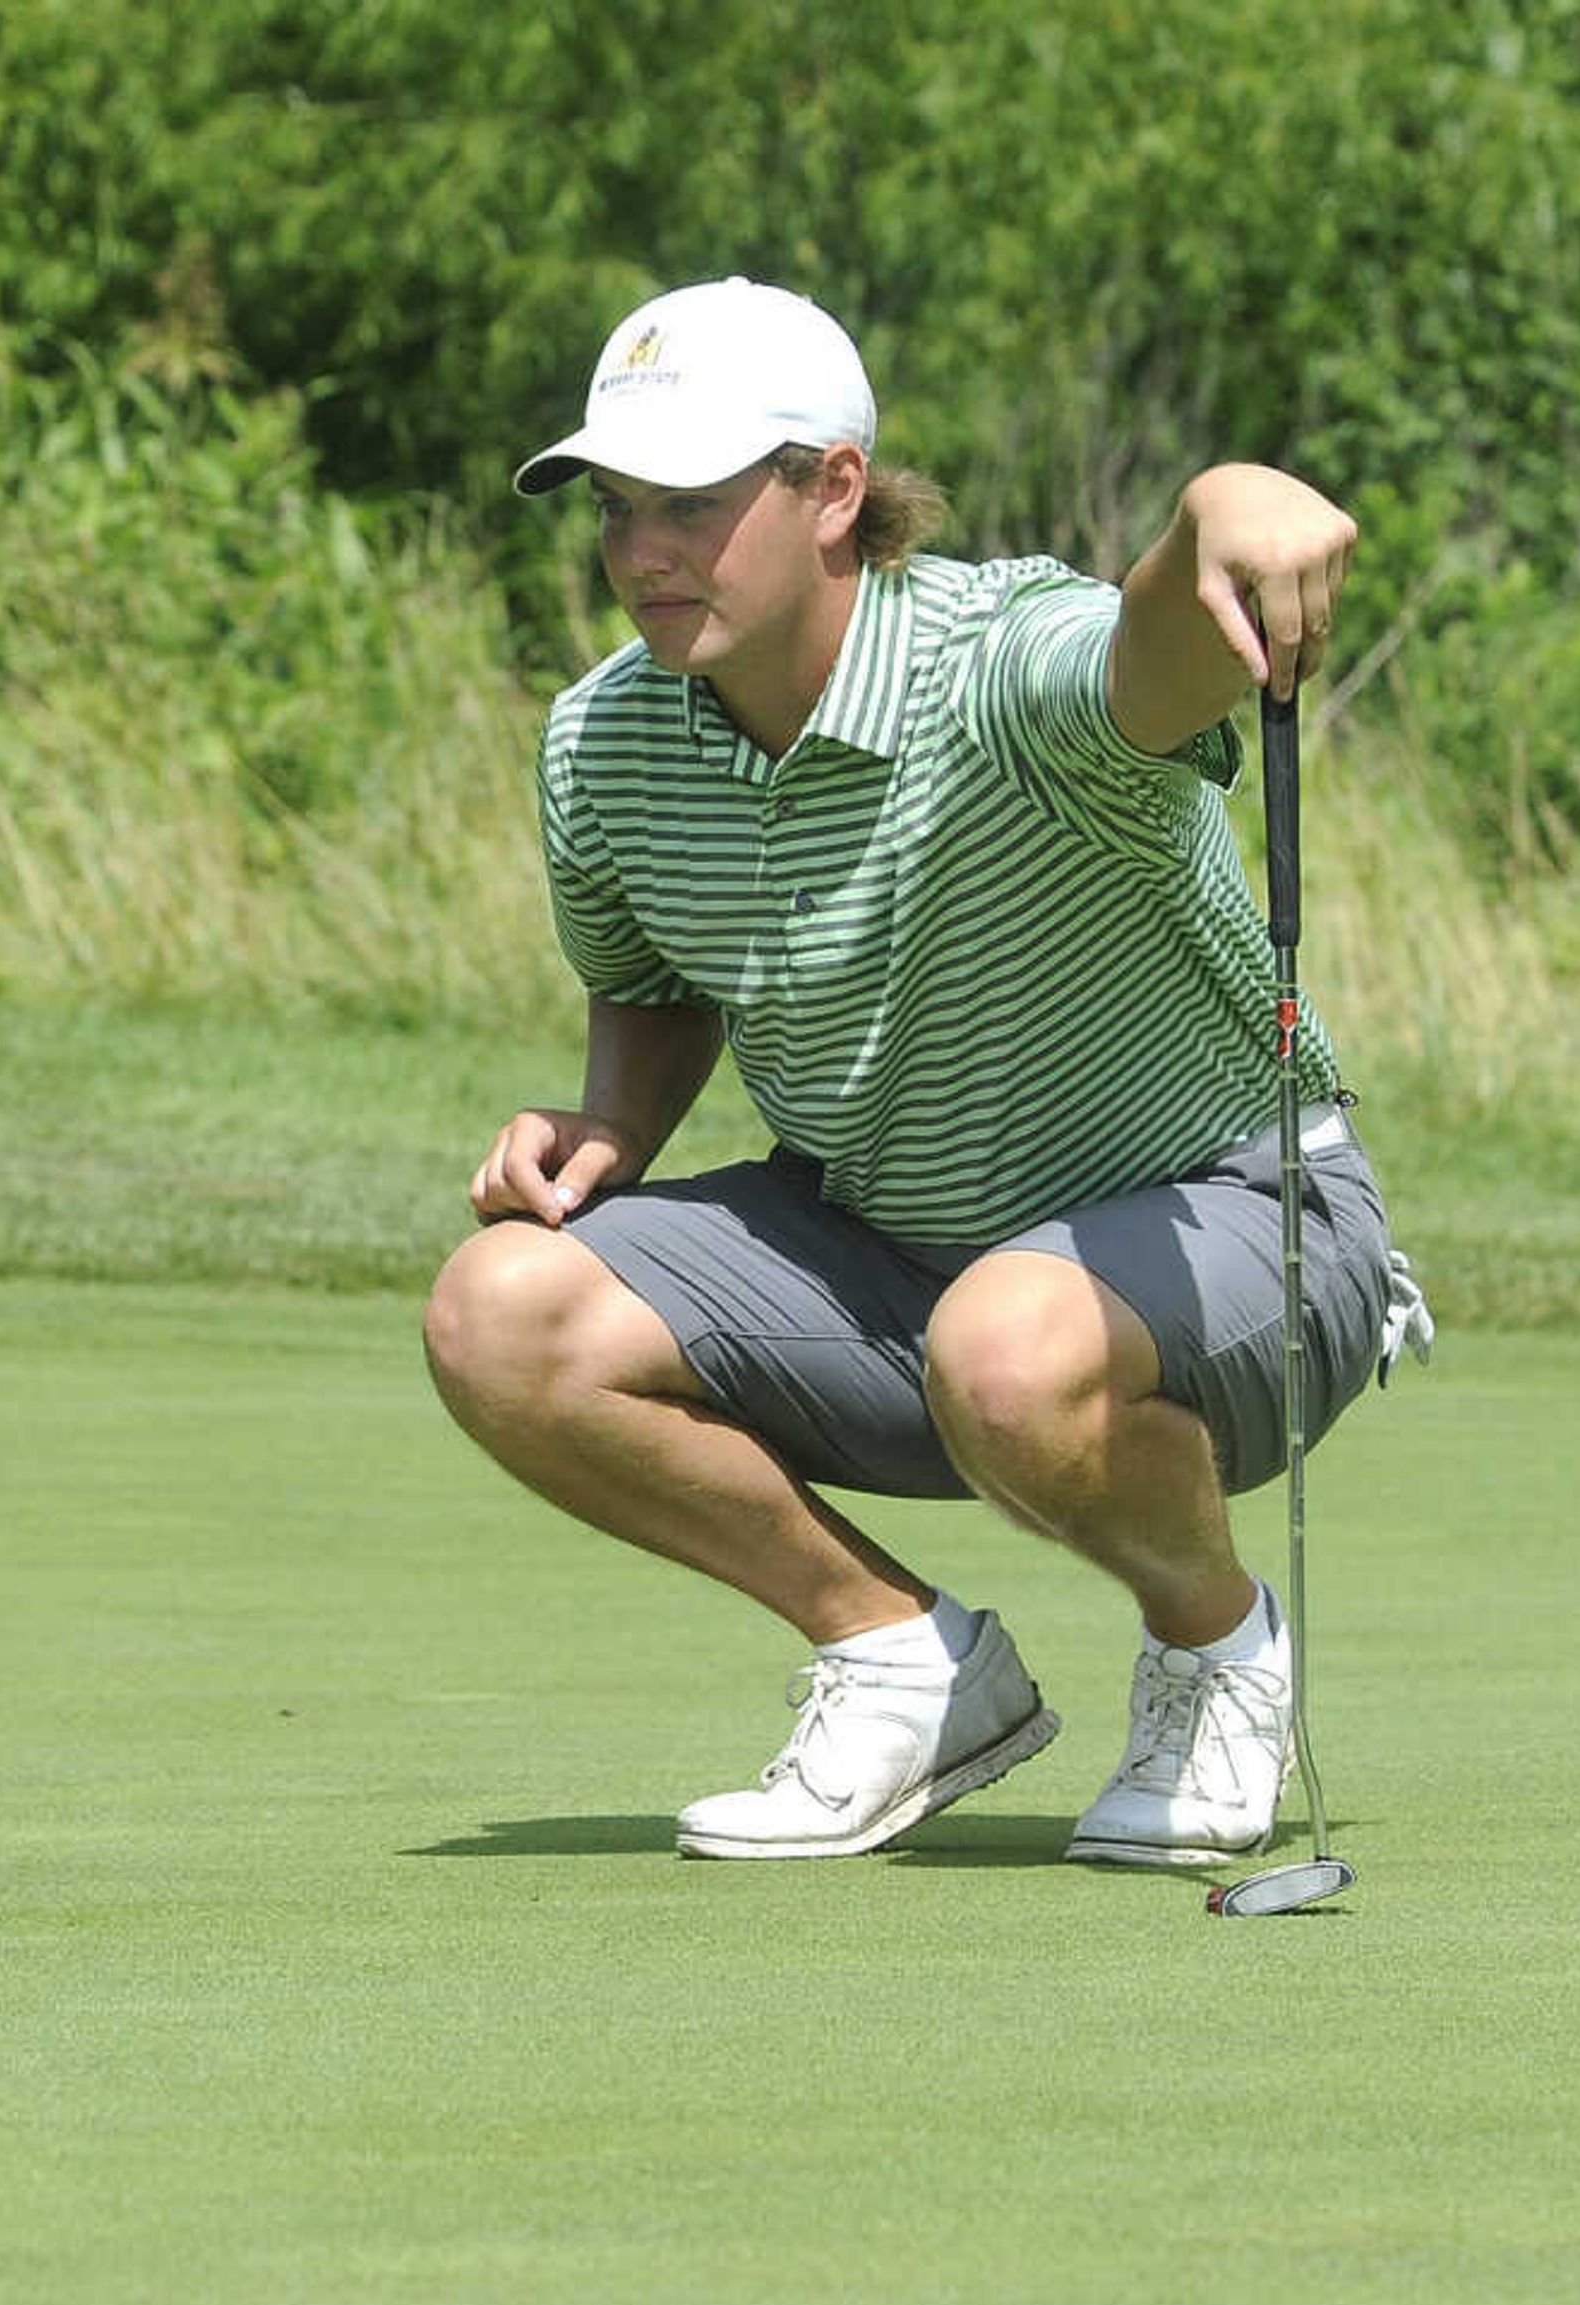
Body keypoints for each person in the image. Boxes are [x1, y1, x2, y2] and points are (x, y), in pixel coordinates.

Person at [421, 275, 1429, 1867]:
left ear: (832, 488)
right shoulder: (606, 741)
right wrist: (613, 1115)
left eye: (689, 503)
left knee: (1011, 1347)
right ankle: (901, 1660)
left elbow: (1148, 659)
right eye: (616, 509)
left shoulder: (995, 667)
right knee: (499, 1310)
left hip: (1236, 1229)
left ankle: (1214, 1641)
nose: (641, 553)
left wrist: (1218, 513)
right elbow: (654, 979)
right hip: (900, 1249)